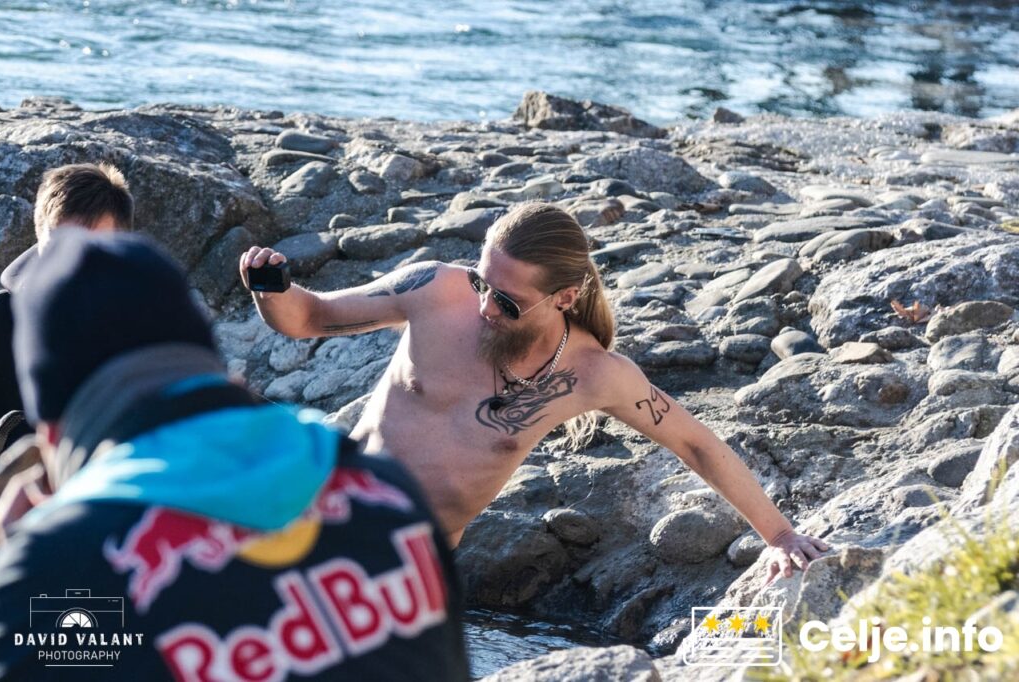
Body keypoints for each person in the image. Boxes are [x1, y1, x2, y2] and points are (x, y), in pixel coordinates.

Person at [241, 202, 829, 583]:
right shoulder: (434, 290)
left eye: (507, 301)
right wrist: (270, 287)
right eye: (481, 282)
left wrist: (780, 535)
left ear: (564, 298)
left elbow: (696, 443)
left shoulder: (595, 374)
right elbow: (308, 318)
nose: (484, 306)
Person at [0, 230, 468, 681]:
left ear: (52, 432)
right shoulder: (388, 494)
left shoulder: (63, 564)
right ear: (220, 371)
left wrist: (15, 571)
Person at [0, 162, 133, 457]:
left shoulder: (148, 335)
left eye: (91, 249)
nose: (71, 264)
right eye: (58, 246)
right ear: (38, 239)